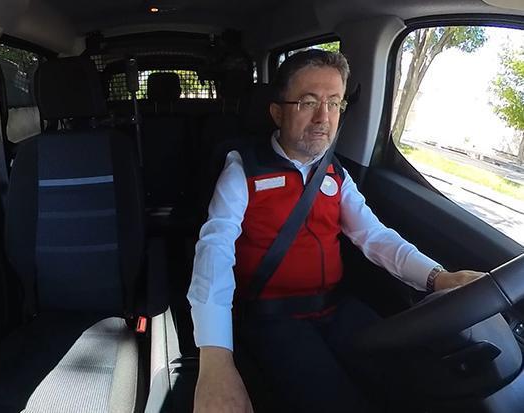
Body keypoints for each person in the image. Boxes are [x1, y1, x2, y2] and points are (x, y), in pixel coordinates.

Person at [187, 49, 484, 413]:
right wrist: (215, 358)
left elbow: (374, 235)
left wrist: (438, 277)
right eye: (309, 102)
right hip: (272, 317)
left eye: (334, 103)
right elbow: (215, 248)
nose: (323, 117)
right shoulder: (243, 168)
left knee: (414, 382)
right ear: (277, 112)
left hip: (338, 308)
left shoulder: (336, 173)